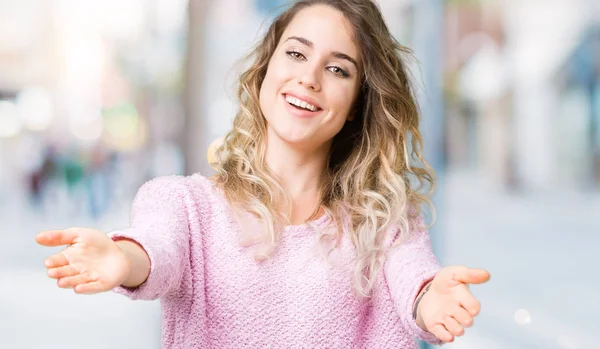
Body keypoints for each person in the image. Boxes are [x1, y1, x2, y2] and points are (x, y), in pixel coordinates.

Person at [35, 0, 491, 348]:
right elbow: (157, 249)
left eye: (337, 69)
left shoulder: (386, 222)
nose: (309, 78)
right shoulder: (184, 205)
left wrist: (433, 301)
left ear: (358, 104)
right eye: (296, 54)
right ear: (265, 70)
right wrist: (123, 259)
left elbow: (416, 278)